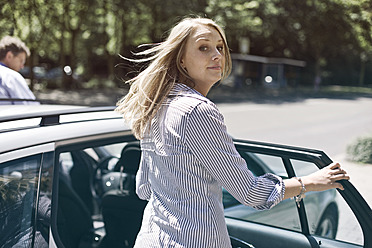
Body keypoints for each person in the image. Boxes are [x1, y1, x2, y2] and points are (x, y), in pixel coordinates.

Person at [116, 17, 350, 248]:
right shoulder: (197, 110)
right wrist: (309, 182)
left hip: (151, 238)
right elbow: (251, 194)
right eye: (203, 48)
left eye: (220, 47)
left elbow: (144, 187)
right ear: (182, 60)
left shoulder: (156, 105)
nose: (217, 55)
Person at [0, 36, 39, 105]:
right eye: (21, 61)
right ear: (9, 56)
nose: (22, 66)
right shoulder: (10, 76)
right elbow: (31, 107)